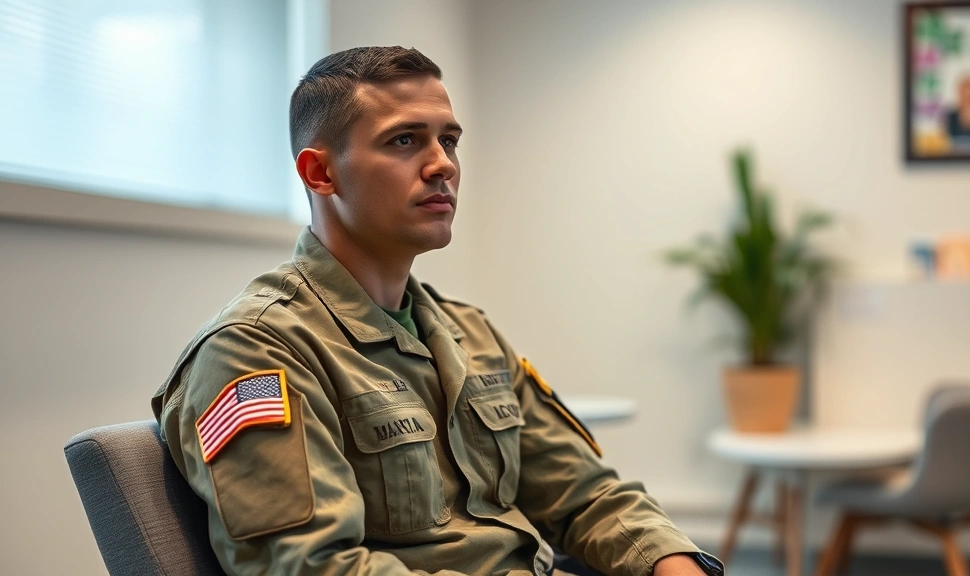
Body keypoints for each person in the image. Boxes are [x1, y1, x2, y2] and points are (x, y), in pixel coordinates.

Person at [152, 46, 723, 576]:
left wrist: (674, 567)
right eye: (404, 141)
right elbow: (313, 566)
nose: (442, 165)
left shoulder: (468, 331)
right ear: (320, 173)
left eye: (448, 141)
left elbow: (585, 494)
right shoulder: (255, 350)